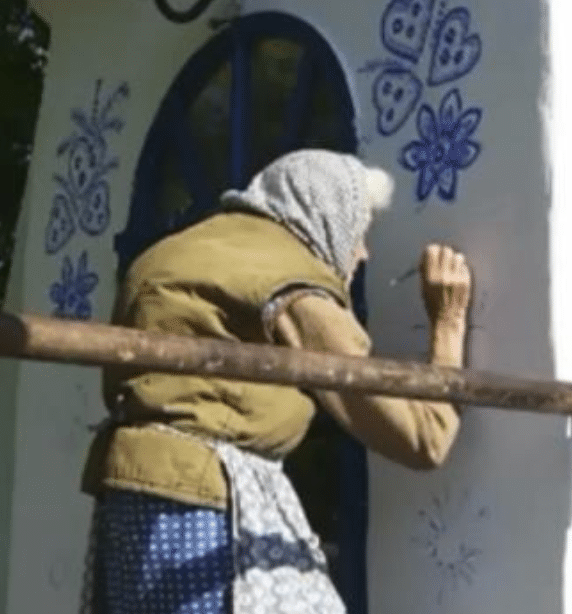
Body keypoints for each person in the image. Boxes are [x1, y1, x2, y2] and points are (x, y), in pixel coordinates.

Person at [81, 149, 473, 614]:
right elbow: (424, 438)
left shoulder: (168, 254)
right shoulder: (290, 281)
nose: (363, 252)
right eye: (360, 231)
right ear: (327, 217)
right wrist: (448, 324)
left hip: (128, 497)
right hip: (206, 499)